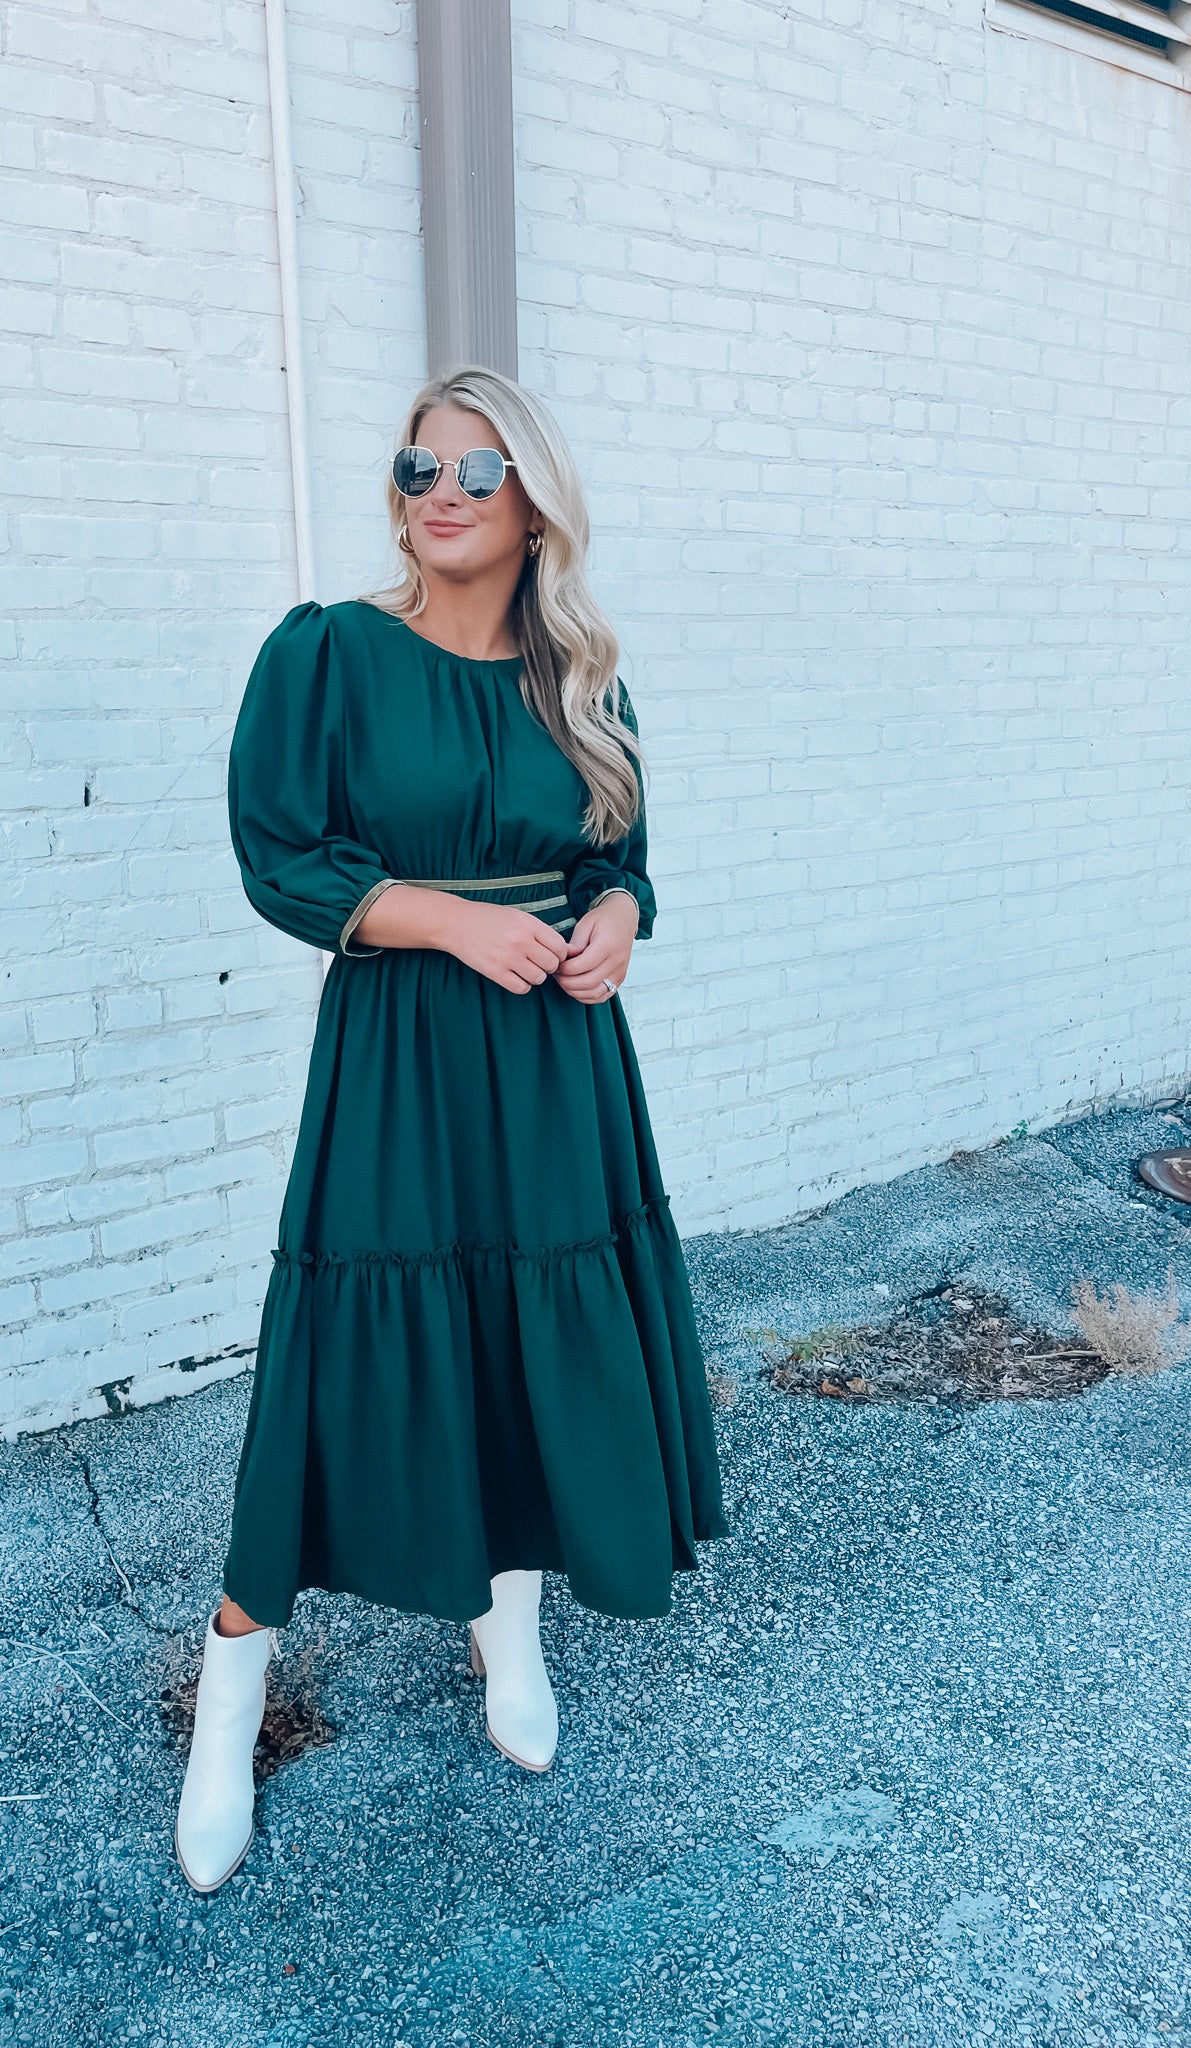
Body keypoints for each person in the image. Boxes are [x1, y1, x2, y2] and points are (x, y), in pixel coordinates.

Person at [175, 366, 728, 1893]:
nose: (442, 492)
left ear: (535, 502)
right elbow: (282, 855)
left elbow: (624, 855)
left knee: (524, 1338)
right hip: (403, 1054)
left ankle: (511, 1632)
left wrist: (616, 920)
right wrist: (446, 921)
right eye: (420, 466)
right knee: (340, 1353)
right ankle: (229, 1698)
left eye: (480, 471)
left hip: (556, 1058)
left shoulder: (582, 679)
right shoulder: (329, 654)